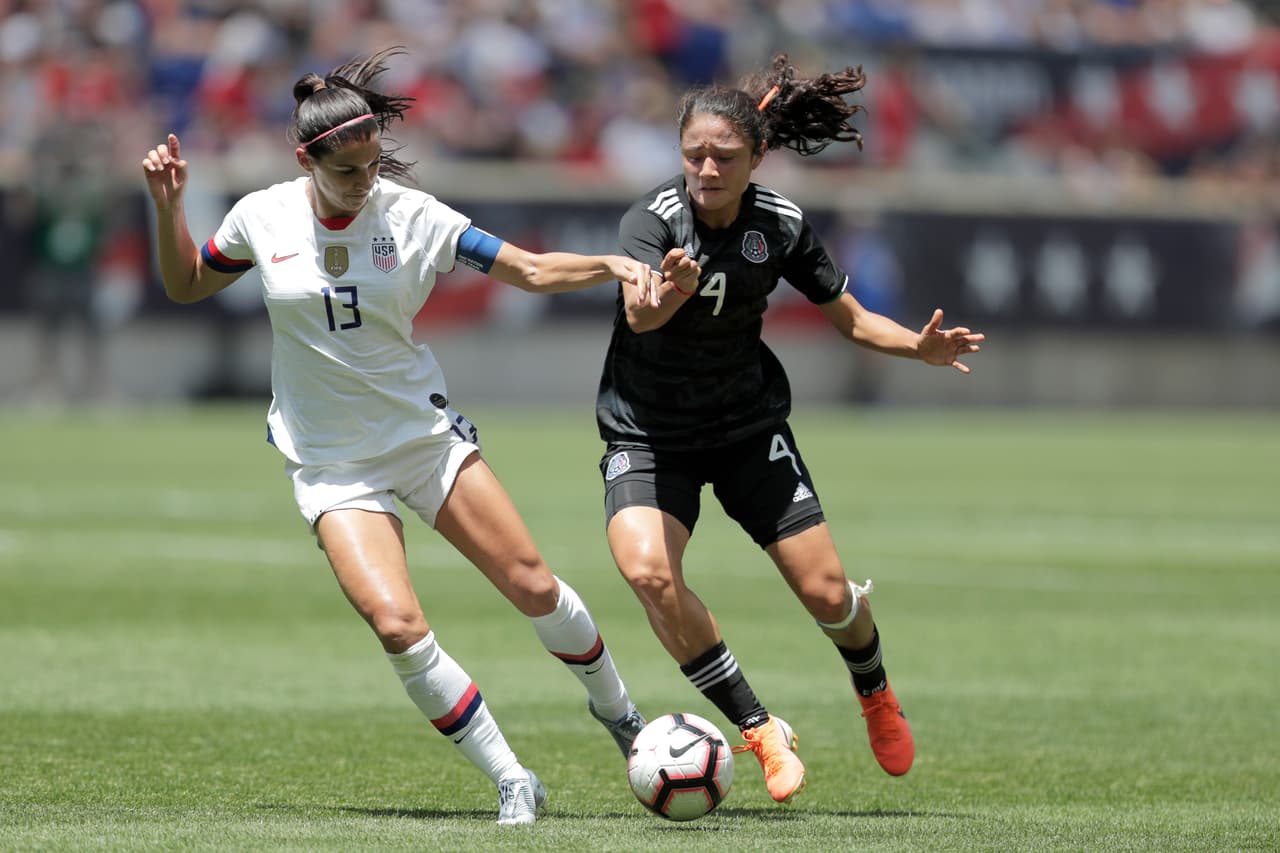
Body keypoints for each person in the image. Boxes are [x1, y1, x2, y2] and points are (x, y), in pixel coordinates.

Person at [141, 47, 660, 827]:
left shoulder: (415, 217)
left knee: (533, 587)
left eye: (374, 164)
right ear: (306, 159)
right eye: (348, 171)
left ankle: (624, 719)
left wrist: (608, 264)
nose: (366, 181)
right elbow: (186, 284)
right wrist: (167, 206)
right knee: (397, 624)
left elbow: (527, 269)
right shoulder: (261, 215)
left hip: (423, 438)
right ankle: (512, 778)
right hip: (329, 463)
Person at [594, 54, 985, 804]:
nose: (707, 168)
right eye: (694, 154)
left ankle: (873, 690)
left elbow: (854, 319)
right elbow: (640, 315)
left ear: (757, 157)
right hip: (648, 431)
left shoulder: (780, 223)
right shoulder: (652, 220)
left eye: (725, 156)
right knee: (648, 572)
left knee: (827, 591)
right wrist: (672, 290)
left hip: (746, 426)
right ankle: (758, 726)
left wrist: (920, 347)